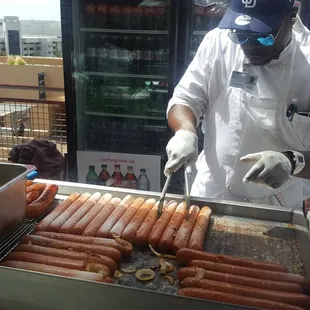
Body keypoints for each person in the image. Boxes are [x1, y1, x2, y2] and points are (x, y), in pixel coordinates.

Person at [165, 0, 310, 209]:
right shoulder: (218, 43)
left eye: (264, 37)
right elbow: (185, 98)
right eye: (240, 35)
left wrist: (293, 161)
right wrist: (185, 131)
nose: (249, 46)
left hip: (276, 202)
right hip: (212, 190)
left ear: (292, 17)